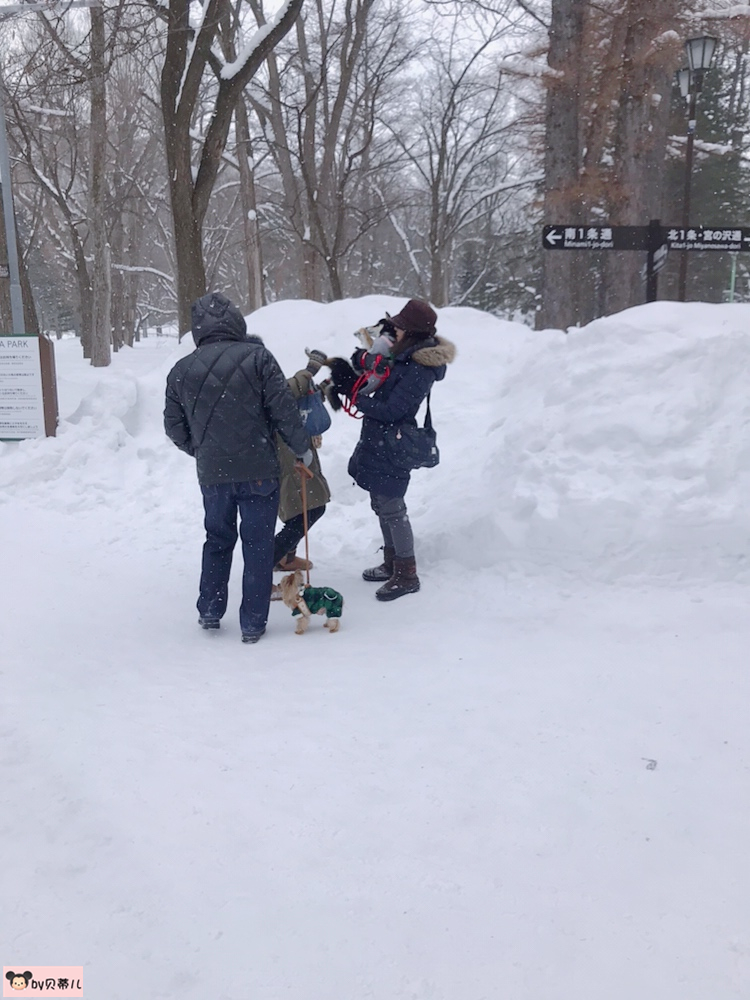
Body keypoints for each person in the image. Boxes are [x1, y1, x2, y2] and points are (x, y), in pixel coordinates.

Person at [164, 292, 312, 643]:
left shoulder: (181, 370)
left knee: (217, 539)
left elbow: (174, 427)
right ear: (235, 321)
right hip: (259, 468)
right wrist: (301, 449)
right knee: (257, 545)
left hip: (214, 475)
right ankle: (252, 623)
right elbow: (283, 411)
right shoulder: (258, 358)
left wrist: (202, 451)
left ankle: (210, 610)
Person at [328, 298, 455, 601]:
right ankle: (391, 563)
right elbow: (380, 382)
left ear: (410, 332)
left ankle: (407, 573)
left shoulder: (420, 367)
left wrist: (354, 396)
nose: (392, 330)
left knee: (393, 508)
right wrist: (354, 377)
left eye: (398, 327)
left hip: (393, 442)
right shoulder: (404, 357)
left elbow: (392, 409)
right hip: (380, 439)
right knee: (381, 504)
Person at [272, 349, 332, 575]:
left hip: (290, 449)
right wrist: (309, 371)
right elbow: (287, 392)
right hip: (286, 454)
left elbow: (292, 399)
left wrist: (318, 390)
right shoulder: (256, 381)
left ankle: (286, 558)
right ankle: (269, 561)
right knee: (310, 509)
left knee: (301, 508)